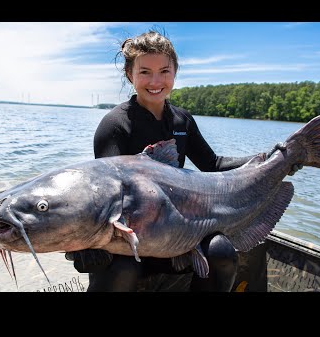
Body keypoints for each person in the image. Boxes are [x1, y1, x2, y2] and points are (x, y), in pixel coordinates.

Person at [65, 30, 302, 292]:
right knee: (122, 269)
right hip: (129, 240)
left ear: (175, 73)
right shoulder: (115, 125)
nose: (156, 81)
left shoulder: (182, 120)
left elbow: (213, 164)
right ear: (130, 75)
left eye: (164, 71)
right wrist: (84, 243)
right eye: (145, 72)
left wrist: (273, 160)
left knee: (221, 253)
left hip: (178, 235)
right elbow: (107, 195)